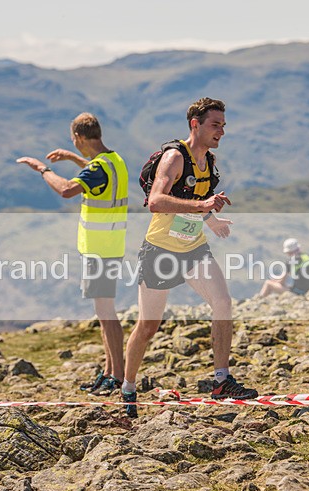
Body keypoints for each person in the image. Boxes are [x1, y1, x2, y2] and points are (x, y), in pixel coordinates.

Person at [122, 97, 259, 417]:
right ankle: (128, 389)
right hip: (160, 251)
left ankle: (222, 381)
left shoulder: (209, 164)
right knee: (148, 326)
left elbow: (196, 201)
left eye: (224, 125)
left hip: (194, 249)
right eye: (215, 125)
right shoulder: (174, 158)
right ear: (194, 125)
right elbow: (156, 201)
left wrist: (211, 220)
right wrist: (202, 208)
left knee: (223, 303)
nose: (222, 131)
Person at [17, 112, 127, 396]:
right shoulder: (114, 161)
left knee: (106, 314)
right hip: (110, 245)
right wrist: (73, 158)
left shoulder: (98, 168)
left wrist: (43, 169)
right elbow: (95, 170)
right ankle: (108, 372)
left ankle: (118, 375)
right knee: (104, 313)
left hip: (100, 249)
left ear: (78, 137)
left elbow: (67, 190)